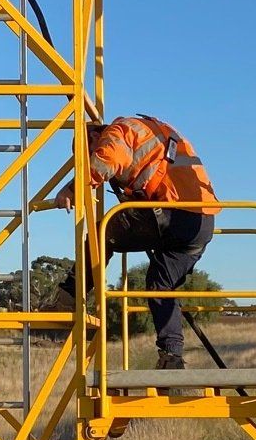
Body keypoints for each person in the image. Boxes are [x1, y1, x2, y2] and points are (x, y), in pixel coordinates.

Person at [50, 113, 216, 370]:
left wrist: (72, 189)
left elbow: (110, 159)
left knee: (102, 233)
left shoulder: (121, 131)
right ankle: (171, 356)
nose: (91, 159)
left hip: (175, 213)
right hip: (201, 223)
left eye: (88, 154)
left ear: (94, 137)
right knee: (160, 284)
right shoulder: (149, 131)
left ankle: (68, 296)